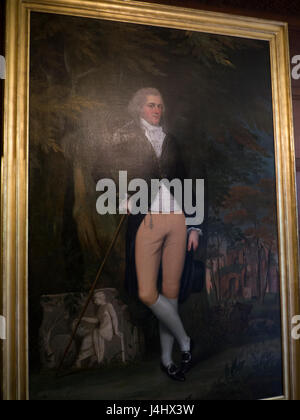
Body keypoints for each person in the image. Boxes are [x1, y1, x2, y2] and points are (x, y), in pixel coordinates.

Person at [109, 88, 203, 381]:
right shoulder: (124, 138)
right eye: (151, 105)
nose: (157, 110)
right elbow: (102, 169)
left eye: (160, 106)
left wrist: (195, 225)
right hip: (146, 220)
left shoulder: (172, 141)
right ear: (139, 108)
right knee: (147, 292)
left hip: (177, 219)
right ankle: (186, 342)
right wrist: (122, 197)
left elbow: (189, 181)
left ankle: (167, 359)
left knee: (171, 293)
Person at [74, 291, 124, 368]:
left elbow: (114, 318)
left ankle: (83, 359)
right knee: (86, 341)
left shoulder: (108, 305)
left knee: (90, 340)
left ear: (101, 298)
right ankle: (81, 359)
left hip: (107, 331)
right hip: (100, 330)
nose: (94, 301)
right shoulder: (100, 308)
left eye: (95, 299)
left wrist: (116, 330)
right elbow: (96, 320)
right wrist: (83, 318)